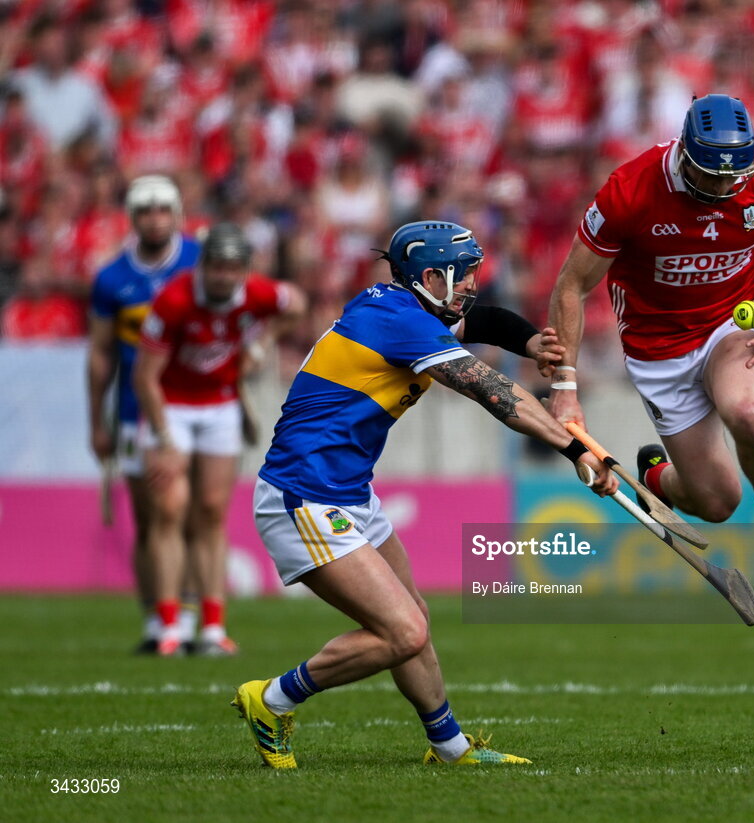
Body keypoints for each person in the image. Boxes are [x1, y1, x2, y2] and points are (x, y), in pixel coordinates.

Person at [230, 220, 616, 769]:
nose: (473, 285)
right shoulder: (398, 322)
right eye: (464, 275)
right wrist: (580, 449)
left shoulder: (405, 307)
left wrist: (529, 341)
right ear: (431, 276)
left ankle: (450, 749)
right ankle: (271, 700)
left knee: (413, 618)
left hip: (346, 493)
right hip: (303, 496)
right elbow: (494, 392)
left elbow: (478, 321)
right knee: (402, 632)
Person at [548, 94, 754, 604]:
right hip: (658, 347)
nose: (723, 189)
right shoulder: (630, 191)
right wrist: (565, 388)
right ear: (684, 155)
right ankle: (658, 477)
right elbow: (571, 286)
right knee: (717, 501)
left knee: (747, 411)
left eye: (733, 178)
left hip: (731, 322)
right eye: (710, 177)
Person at [133, 222, 306, 656]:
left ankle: (212, 627)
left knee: (211, 512)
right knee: (169, 509)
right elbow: (145, 377)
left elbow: (297, 303)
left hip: (221, 403)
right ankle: (169, 624)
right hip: (170, 405)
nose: (225, 276)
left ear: (244, 270)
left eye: (233, 268)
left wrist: (262, 343)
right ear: (203, 266)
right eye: (217, 267)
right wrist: (163, 438)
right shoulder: (173, 300)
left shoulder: (256, 294)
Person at [87, 174, 202, 653]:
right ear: (133, 219)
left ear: (175, 213)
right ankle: (158, 615)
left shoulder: (199, 262)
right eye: (145, 211)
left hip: (197, 402)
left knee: (192, 512)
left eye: (162, 210)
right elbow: (100, 355)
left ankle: (192, 613)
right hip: (135, 410)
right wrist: (97, 420)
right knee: (148, 515)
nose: (154, 219)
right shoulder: (111, 278)